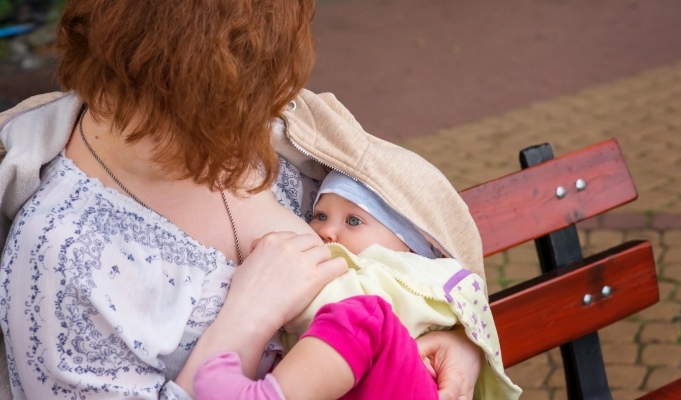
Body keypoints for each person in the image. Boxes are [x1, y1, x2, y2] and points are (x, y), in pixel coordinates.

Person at [0, 0, 490, 399]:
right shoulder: (60, 255)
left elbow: (406, 268)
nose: (267, 107)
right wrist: (246, 318)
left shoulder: (277, 138)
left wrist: (452, 345)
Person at [192, 172, 522, 400]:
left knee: (365, 319)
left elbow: (320, 301)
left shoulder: (408, 275)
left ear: (407, 245)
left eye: (353, 221)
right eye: (320, 215)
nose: (327, 232)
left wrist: (276, 260)